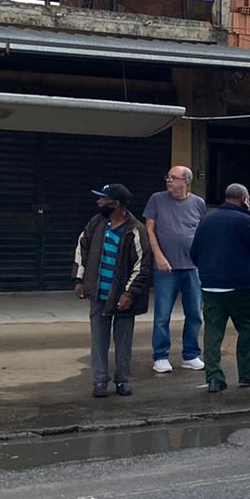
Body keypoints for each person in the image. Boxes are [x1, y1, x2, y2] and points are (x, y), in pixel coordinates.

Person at [190, 183, 250, 393]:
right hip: (239, 286)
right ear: (244, 199)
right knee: (248, 329)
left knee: (213, 333)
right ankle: (249, 374)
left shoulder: (207, 220)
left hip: (210, 286)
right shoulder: (245, 221)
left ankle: (214, 378)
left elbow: (194, 252)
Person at [73, 183, 151, 398]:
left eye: (103, 199)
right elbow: (82, 249)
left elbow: (142, 266)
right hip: (99, 293)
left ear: (116, 204)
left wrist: (129, 294)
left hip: (123, 297)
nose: (99, 202)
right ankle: (99, 382)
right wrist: (79, 279)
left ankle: (123, 381)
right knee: (99, 341)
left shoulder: (136, 230)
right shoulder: (95, 223)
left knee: (123, 342)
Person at [143, 165, 207, 374]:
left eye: (173, 177)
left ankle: (190, 355)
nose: (168, 180)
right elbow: (150, 229)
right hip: (166, 268)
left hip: (192, 267)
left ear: (186, 181)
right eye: (168, 177)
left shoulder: (198, 203)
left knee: (194, 314)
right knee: (162, 315)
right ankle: (161, 356)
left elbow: (201, 232)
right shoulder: (157, 199)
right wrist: (159, 256)